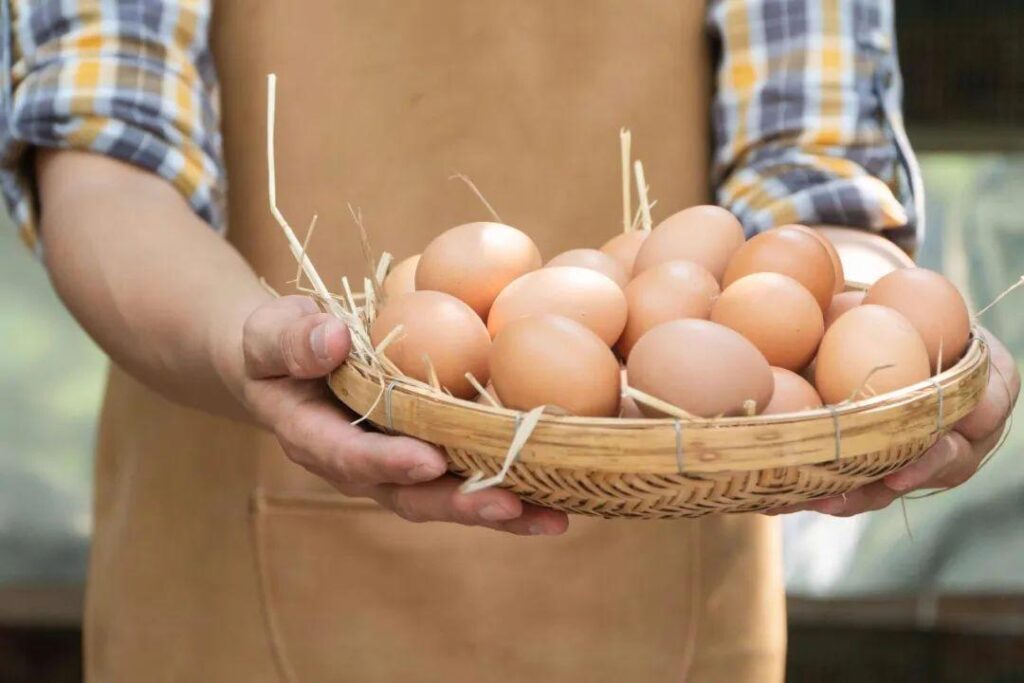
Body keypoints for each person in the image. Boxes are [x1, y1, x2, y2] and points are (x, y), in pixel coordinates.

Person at [1, 0, 1017, 680]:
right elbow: (102, 158)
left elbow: (813, 178)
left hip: (661, 576)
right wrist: (248, 339)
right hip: (225, 564)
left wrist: (878, 327)